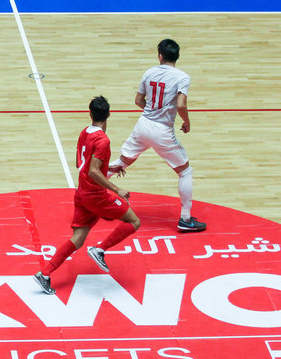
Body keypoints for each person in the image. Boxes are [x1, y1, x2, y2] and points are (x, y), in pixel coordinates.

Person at [34, 96, 140, 295]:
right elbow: (93, 171)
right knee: (134, 222)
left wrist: (111, 167)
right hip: (96, 196)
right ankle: (100, 249)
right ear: (109, 115)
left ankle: (45, 274)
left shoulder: (85, 133)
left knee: (78, 238)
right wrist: (116, 189)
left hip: (82, 193)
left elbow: (81, 165)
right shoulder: (103, 140)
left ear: (90, 113)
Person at [108, 39, 206, 232]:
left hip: (143, 125)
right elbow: (181, 105)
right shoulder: (183, 77)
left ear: (160, 55)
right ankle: (185, 219)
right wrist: (186, 122)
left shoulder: (149, 72)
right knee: (185, 172)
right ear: (177, 56)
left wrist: (153, 111)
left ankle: (88, 194)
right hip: (162, 131)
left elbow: (138, 100)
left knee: (122, 161)